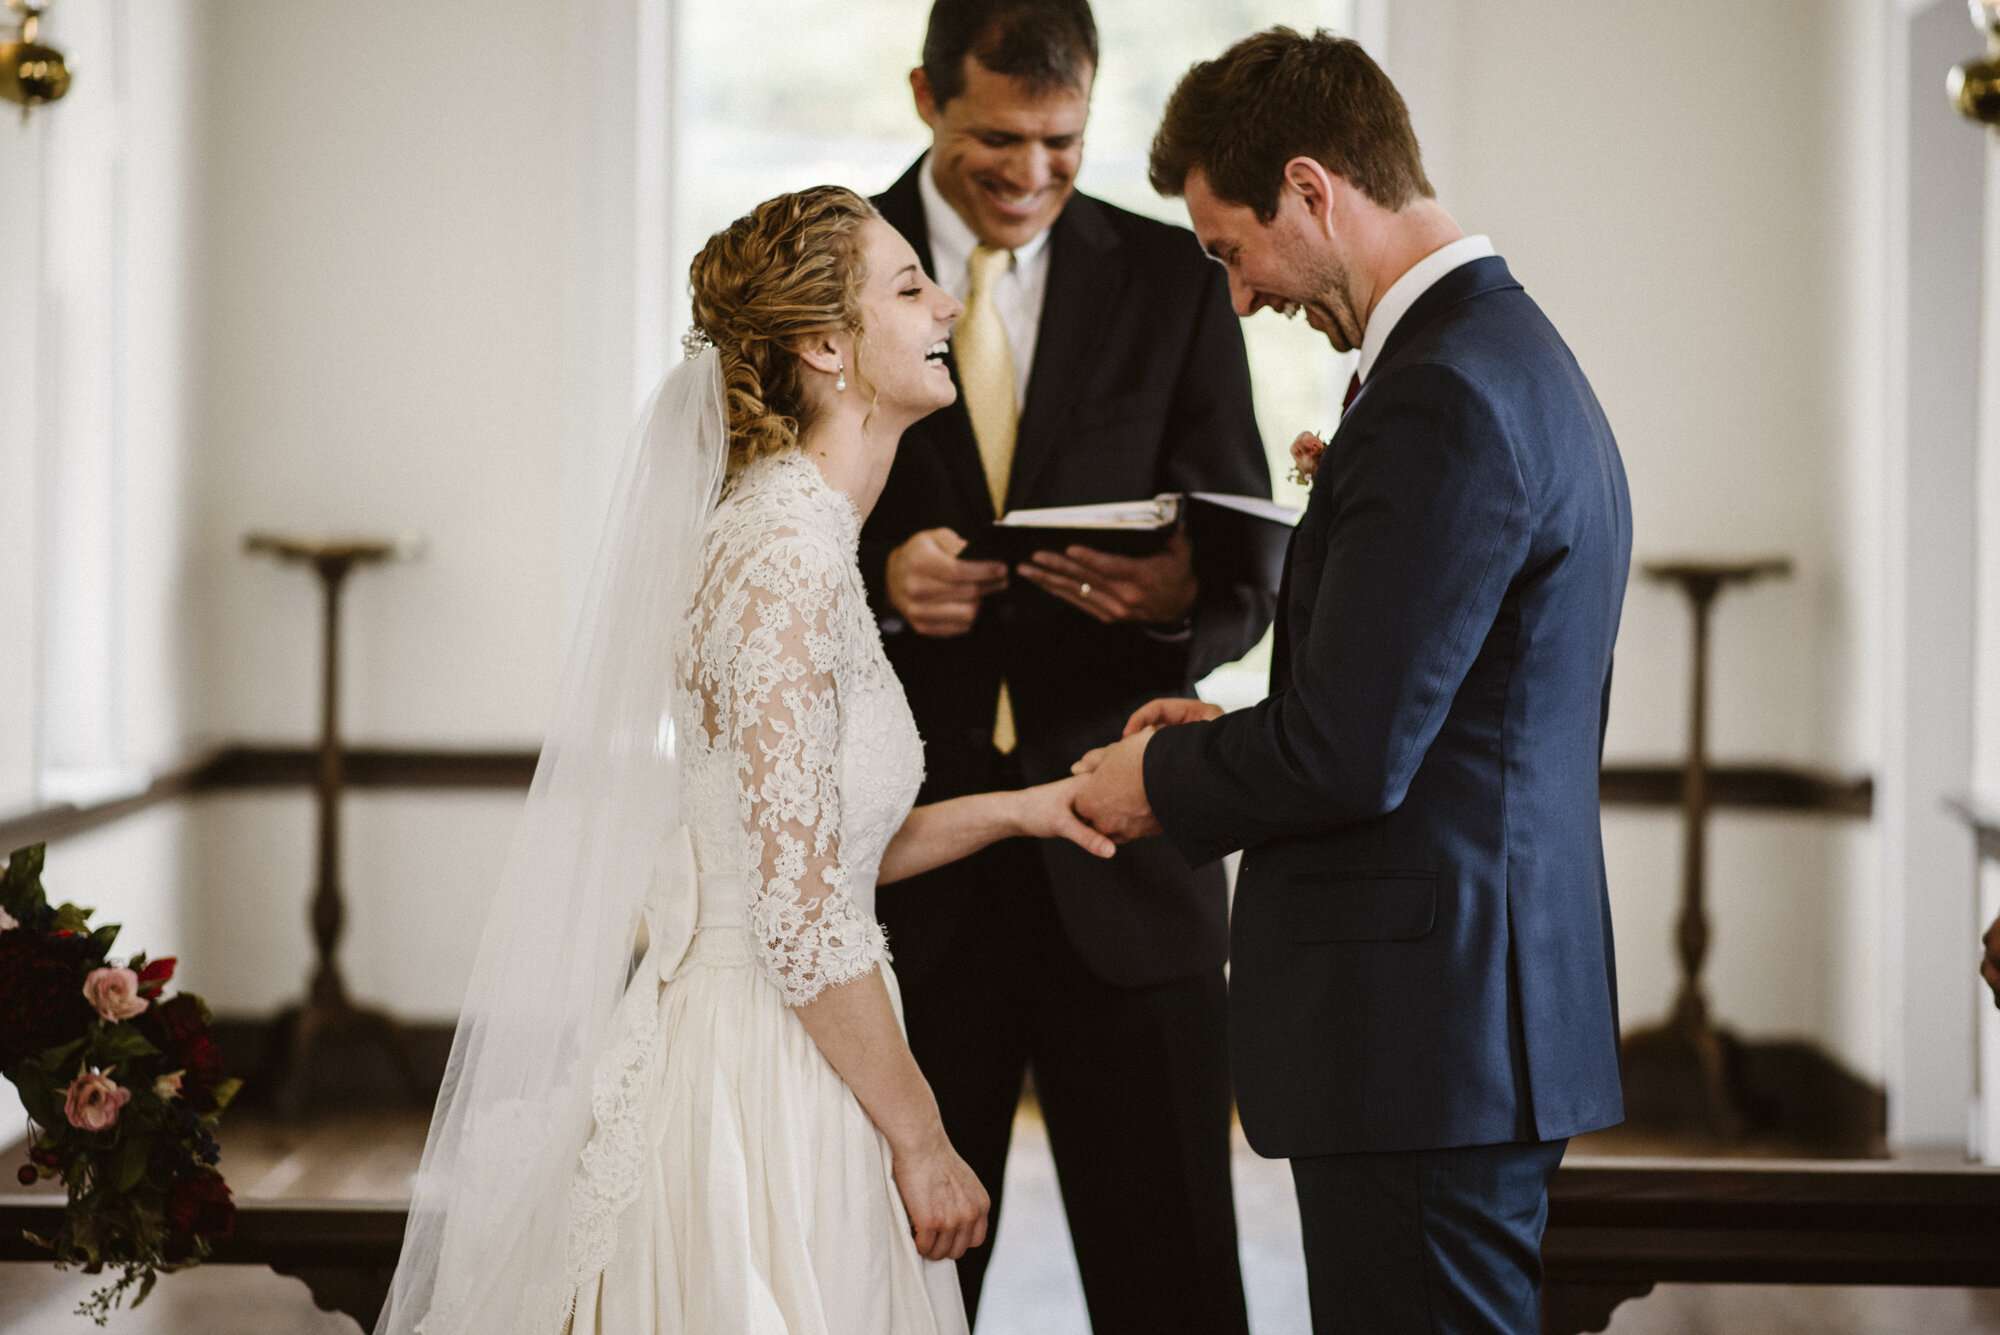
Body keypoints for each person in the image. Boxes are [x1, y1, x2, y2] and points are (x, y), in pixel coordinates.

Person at [374, 186, 1120, 1335]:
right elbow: (800, 911)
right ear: (827, 345)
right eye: (911, 286)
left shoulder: (804, 539)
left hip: (798, 1035)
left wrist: (1020, 811)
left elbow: (816, 847)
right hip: (758, 1075)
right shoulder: (782, 557)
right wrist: (921, 1140)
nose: (951, 301)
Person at [1072, 29, 1631, 1335]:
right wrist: (1229, 728)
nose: (1241, 296)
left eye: (1229, 250)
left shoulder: (1444, 394)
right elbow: (1431, 715)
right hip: (1467, 1021)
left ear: (1313, 189)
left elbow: (1350, 753)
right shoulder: (1507, 356)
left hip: (1423, 1041)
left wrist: (1155, 778)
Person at [858, 1, 1272, 1327]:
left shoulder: (1175, 277)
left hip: (1124, 859)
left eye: (1062, 141)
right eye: (997, 140)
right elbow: (741, 540)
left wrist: (1171, 604)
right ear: (927, 95)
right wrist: (877, 585)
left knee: (1177, 1286)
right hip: (905, 879)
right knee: (894, 1288)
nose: (1030, 174)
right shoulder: (827, 267)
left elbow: (1247, 567)